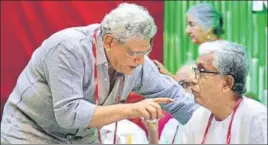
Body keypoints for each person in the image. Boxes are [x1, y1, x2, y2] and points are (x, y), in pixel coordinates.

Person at [1, 3, 197, 144]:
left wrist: (212, 123)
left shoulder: (139, 62)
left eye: (145, 53)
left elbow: (174, 96)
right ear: (110, 42)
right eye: (133, 53)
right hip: (31, 134)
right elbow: (69, 113)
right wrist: (132, 109)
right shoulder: (68, 48)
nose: (140, 61)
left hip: (81, 139)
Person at [181, 41, 267, 144]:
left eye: (202, 71)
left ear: (227, 83)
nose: (192, 79)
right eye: (196, 70)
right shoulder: (198, 118)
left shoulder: (256, 118)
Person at [153, 2, 224, 79]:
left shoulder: (213, 54)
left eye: (192, 24)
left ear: (210, 27)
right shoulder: (219, 50)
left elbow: (201, 89)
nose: (187, 31)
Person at [145, 63, 196, 144]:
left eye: (183, 84)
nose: (179, 90)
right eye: (176, 85)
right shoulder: (172, 124)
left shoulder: (209, 119)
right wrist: (153, 131)